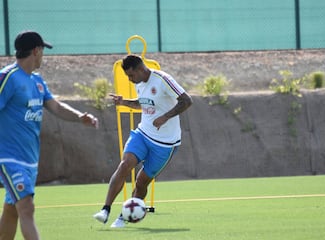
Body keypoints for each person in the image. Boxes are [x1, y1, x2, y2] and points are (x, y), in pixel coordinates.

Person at [0, 31, 99, 240]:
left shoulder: (37, 81)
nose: (43, 55)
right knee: (26, 207)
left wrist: (80, 116)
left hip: (29, 159)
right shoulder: (8, 77)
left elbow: (55, 106)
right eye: (42, 50)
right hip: (8, 157)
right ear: (36, 51)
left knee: (12, 211)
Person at [93, 54, 192, 228]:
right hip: (142, 134)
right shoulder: (139, 83)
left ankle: (124, 217)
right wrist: (124, 102)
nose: (130, 80)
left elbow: (187, 100)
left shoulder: (163, 80)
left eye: (131, 76)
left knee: (141, 182)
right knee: (124, 165)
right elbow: (143, 104)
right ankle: (105, 209)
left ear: (140, 69)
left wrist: (165, 117)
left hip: (165, 144)